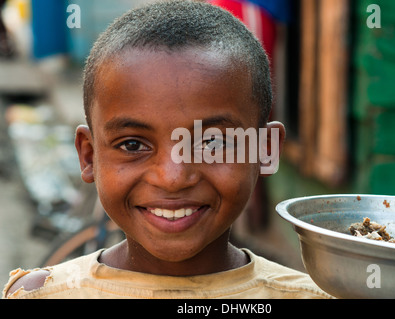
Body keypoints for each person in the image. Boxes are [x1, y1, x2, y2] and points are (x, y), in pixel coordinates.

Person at [2, 1, 331, 299]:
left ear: (265, 150)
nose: (172, 178)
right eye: (133, 145)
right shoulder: (42, 295)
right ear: (89, 156)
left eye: (211, 143)